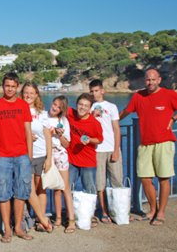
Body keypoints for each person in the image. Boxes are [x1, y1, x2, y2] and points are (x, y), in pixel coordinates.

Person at [120, 69, 177, 225]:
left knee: (163, 178)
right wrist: (109, 123)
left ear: (159, 80)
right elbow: (126, 111)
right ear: (144, 80)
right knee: (145, 178)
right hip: (145, 143)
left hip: (164, 141)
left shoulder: (169, 94)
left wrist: (173, 119)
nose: (150, 82)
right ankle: (152, 209)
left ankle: (161, 213)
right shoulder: (138, 96)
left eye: (153, 79)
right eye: (147, 80)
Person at [0, 73, 38, 242]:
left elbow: (27, 131)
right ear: (3, 86)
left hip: (22, 155)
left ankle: (18, 227)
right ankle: (7, 229)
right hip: (3, 157)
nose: (9, 89)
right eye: (7, 85)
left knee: (21, 192)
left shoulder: (23, 105)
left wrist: (29, 155)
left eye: (13, 86)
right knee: (2, 193)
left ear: (17, 87)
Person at [89, 80, 134, 223]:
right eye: (92, 91)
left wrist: (116, 150)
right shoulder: (88, 108)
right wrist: (93, 115)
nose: (94, 94)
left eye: (96, 90)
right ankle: (104, 212)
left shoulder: (112, 107)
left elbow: (116, 129)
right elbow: (85, 126)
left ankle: (121, 211)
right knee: (100, 184)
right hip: (97, 151)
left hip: (111, 149)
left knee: (117, 182)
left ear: (102, 90)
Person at [20, 82, 54, 233]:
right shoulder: (19, 110)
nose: (28, 96)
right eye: (26, 93)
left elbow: (47, 136)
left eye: (31, 93)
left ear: (36, 95)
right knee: (30, 190)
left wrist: (49, 157)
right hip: (27, 156)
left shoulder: (42, 113)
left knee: (41, 189)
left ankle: (40, 220)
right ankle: (43, 219)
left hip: (41, 155)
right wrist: (25, 136)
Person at [67, 93, 104, 228]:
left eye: (86, 106)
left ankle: (90, 216)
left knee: (89, 189)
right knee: (69, 188)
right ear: (76, 105)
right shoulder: (70, 113)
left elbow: (100, 139)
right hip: (71, 159)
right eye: (80, 104)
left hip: (88, 161)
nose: (82, 108)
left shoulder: (94, 123)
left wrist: (89, 141)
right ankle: (70, 216)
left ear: (90, 108)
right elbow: (58, 107)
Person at [46, 96, 76, 233]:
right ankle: (58, 217)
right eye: (54, 104)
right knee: (55, 188)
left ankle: (71, 220)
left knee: (65, 187)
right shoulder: (44, 117)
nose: (55, 108)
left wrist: (60, 135)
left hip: (61, 154)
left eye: (58, 107)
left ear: (61, 110)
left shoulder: (63, 121)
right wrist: (52, 133)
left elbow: (67, 144)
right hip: (48, 154)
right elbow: (43, 136)